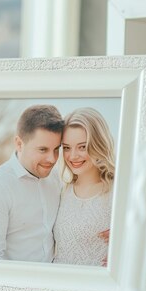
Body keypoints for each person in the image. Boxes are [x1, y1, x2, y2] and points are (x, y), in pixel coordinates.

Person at [0, 104, 64, 262]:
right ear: (19, 144)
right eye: (43, 150)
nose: (52, 159)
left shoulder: (57, 179)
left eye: (56, 149)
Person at [52, 107, 115, 267]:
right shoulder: (61, 190)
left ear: (98, 144)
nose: (73, 156)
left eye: (82, 147)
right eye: (66, 147)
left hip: (98, 287)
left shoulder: (118, 192)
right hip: (57, 286)